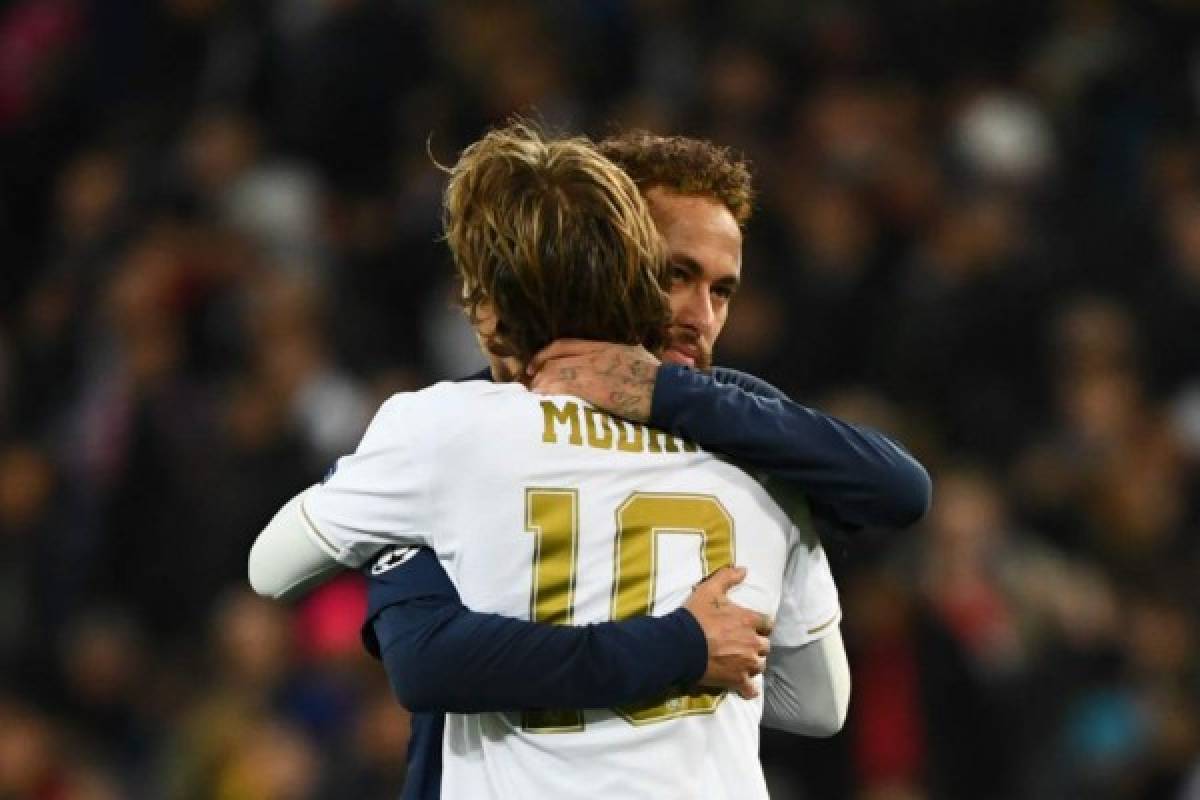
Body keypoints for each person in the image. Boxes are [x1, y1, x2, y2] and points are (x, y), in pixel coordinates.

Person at [250, 121, 851, 798]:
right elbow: (821, 706)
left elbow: (269, 568)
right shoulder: (759, 451)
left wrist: (404, 548)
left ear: (488, 309)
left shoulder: (442, 431)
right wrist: (682, 657)